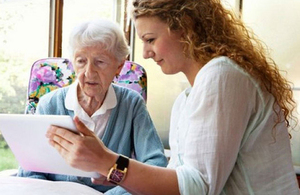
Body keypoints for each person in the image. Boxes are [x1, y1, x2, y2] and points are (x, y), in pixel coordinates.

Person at [45, 0, 300, 194]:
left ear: (185, 29)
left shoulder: (221, 76)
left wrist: (107, 161)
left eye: (150, 39)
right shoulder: (187, 99)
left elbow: (199, 187)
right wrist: (108, 169)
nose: (144, 53)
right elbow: (176, 177)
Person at [17, 18, 168, 194]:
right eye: (81, 61)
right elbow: (30, 172)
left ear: (118, 66)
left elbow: (156, 163)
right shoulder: (49, 104)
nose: (89, 72)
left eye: (100, 62)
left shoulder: (132, 103)